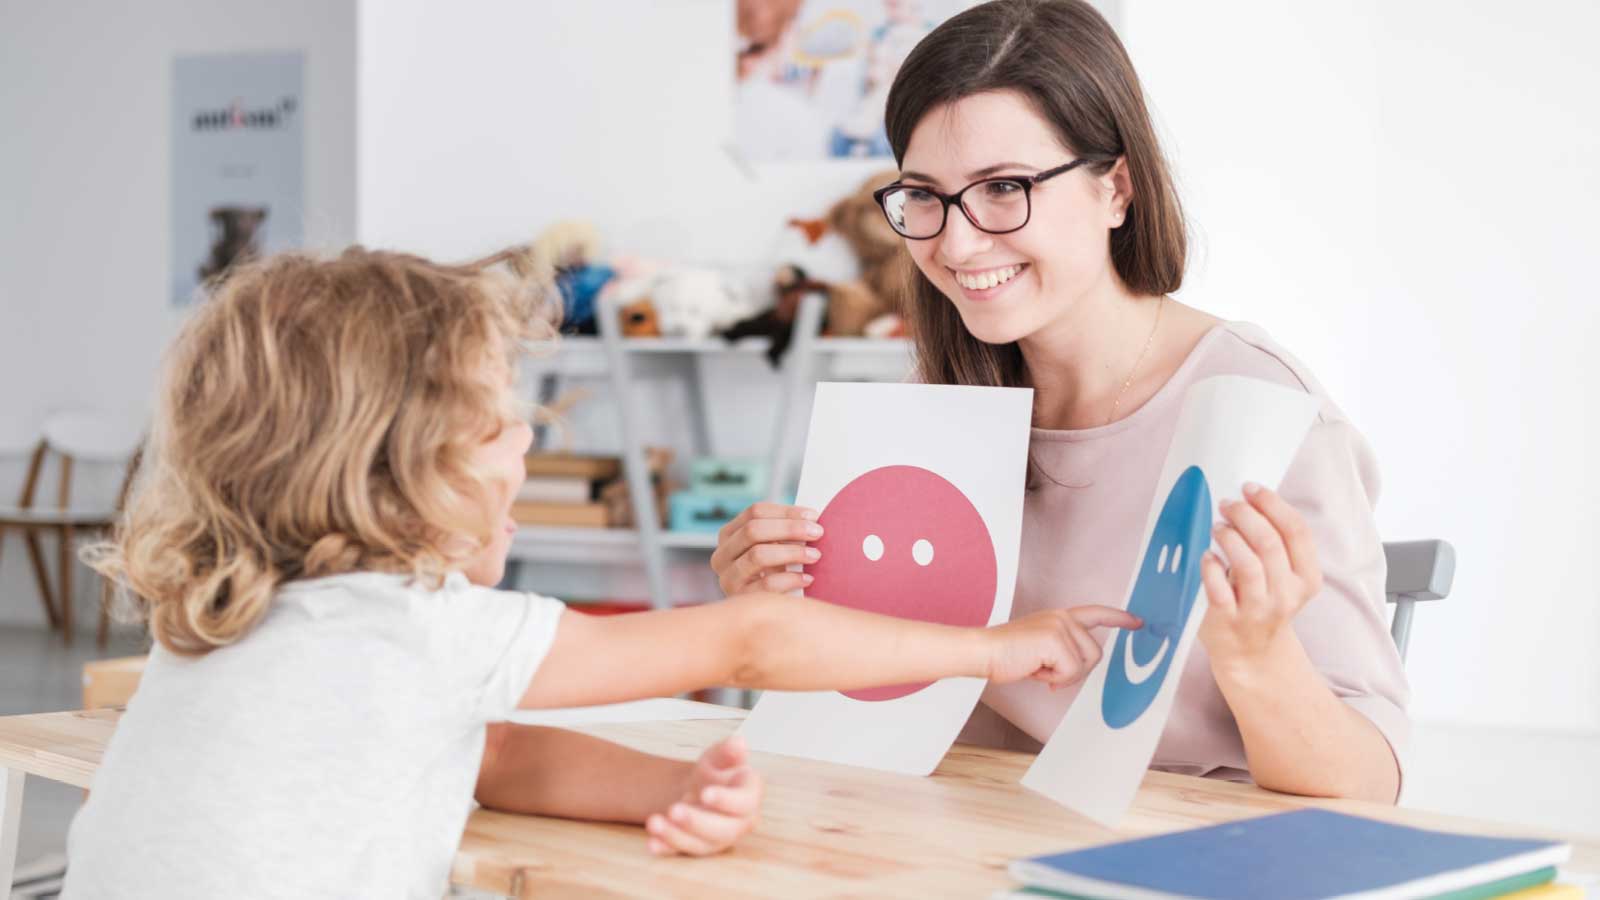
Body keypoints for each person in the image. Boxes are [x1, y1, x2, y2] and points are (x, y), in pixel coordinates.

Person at [61, 247, 1136, 899]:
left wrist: (666, 787)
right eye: (498, 426)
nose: (526, 443)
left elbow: (489, 760)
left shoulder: (229, 620)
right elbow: (753, 637)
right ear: (396, 474)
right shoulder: (408, 627)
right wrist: (996, 645)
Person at [712, 0, 1408, 803]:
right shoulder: (935, 401)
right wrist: (776, 602)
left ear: (1116, 188)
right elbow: (865, 697)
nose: (956, 242)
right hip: (961, 834)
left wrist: (1257, 653)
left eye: (1004, 188)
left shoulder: (1262, 415)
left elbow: (1369, 784)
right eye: (925, 196)